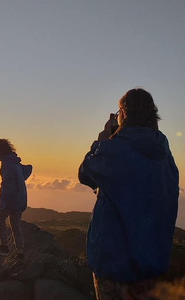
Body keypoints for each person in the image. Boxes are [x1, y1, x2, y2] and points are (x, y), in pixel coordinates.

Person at [78, 88, 179, 299]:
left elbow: (85, 174)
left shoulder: (111, 149)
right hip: (152, 263)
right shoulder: (163, 152)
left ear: (122, 113)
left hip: (113, 262)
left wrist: (101, 141)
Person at [0, 139, 33, 258]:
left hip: (11, 199)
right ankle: (20, 252)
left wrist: (3, 201)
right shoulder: (15, 163)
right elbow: (26, 171)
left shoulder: (7, 164)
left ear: (0, 152)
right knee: (16, 225)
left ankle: (4, 246)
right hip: (21, 199)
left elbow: (7, 183)